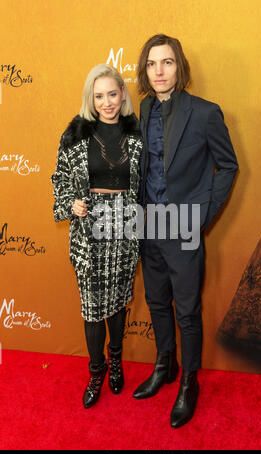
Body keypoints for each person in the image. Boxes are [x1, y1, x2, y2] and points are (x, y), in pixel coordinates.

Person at [133, 34, 239, 428]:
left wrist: (201, 216)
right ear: (145, 70)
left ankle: (188, 383)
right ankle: (166, 366)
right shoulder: (143, 109)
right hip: (149, 225)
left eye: (168, 62)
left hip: (184, 227)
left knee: (188, 311)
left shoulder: (205, 113)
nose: (159, 71)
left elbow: (228, 166)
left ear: (180, 67)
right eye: (152, 64)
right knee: (158, 303)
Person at [51, 64, 142, 409]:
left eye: (112, 94)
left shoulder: (137, 135)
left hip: (124, 228)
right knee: (92, 308)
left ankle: (116, 361)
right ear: (91, 98)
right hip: (88, 230)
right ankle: (96, 371)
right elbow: (58, 178)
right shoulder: (74, 135)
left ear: (122, 95)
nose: (107, 102)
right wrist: (68, 203)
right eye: (99, 96)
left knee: (117, 303)